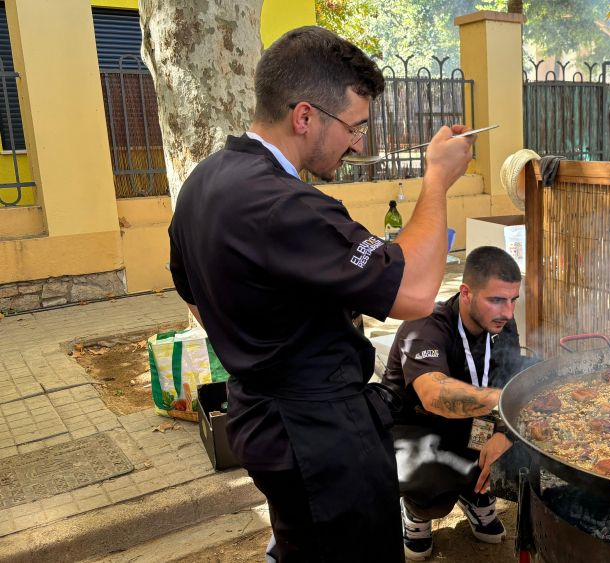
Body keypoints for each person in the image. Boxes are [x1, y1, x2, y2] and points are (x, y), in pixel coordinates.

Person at [167, 27, 476, 562]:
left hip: (260, 418)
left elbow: (194, 295)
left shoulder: (204, 182)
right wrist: (436, 181)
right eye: (354, 126)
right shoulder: (286, 206)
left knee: (302, 545)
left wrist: (270, 330)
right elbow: (417, 293)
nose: (359, 142)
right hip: (320, 436)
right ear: (304, 116)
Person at [381, 246, 524, 561]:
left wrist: (504, 432)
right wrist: (506, 403)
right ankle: (418, 512)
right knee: (430, 477)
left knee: (528, 443)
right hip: (415, 428)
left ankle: (475, 495)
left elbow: (506, 377)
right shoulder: (423, 325)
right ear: (466, 293)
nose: (508, 312)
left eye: (513, 299)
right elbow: (436, 396)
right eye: (497, 300)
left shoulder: (502, 324)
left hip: (471, 421)